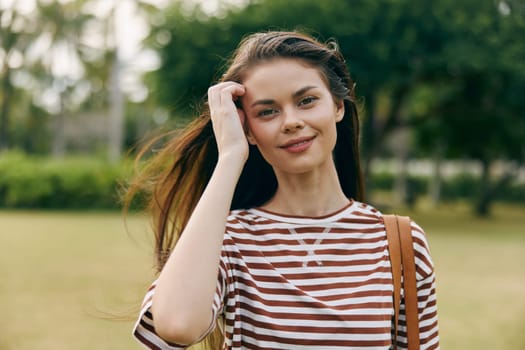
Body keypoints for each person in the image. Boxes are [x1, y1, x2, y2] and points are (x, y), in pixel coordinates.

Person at [128, 30, 439, 349]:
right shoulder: (229, 240)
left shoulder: (401, 244)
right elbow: (177, 325)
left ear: (338, 106)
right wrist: (230, 157)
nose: (291, 121)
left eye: (306, 101)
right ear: (248, 129)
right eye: (267, 111)